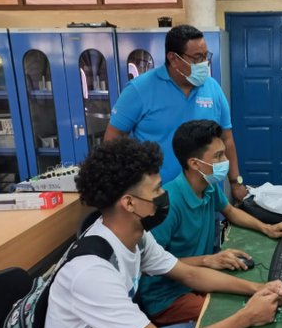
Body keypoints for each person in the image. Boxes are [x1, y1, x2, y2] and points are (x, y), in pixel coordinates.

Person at [43, 137, 282, 328]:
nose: (164, 195)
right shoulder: (91, 273)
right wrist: (248, 316)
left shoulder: (135, 236)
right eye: (157, 190)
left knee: (214, 327)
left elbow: (189, 273)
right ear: (129, 203)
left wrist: (257, 288)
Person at [139, 120, 282, 326]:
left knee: (251, 303)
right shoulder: (168, 204)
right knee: (245, 313)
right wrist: (208, 260)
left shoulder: (209, 185)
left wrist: (266, 228)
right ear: (194, 163)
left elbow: (231, 211)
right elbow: (149, 266)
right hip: (167, 297)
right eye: (218, 156)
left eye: (224, 153)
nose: (226, 161)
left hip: (200, 278)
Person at [104, 24, 248, 202]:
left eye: (205, 56)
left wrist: (236, 182)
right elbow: (113, 140)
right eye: (197, 58)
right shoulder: (139, 90)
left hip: (205, 196)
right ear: (173, 58)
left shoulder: (213, 89)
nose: (204, 64)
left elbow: (227, 138)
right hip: (156, 198)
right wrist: (123, 186)